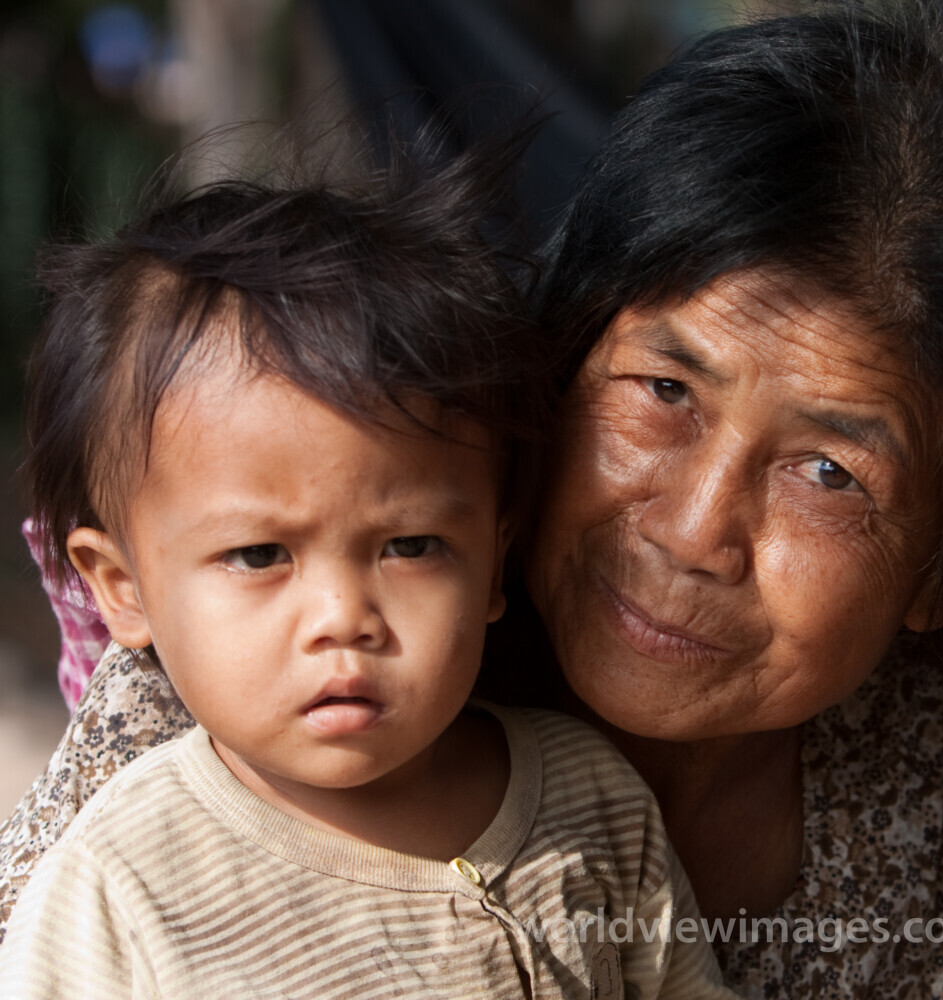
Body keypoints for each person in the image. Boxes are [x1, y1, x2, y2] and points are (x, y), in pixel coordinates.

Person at [2, 1, 943, 994]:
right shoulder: (272, 689)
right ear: (563, 354)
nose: (693, 528)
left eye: (830, 472)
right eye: (663, 389)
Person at [0, 149, 733, 998]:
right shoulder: (117, 891)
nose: (344, 617)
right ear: (121, 587)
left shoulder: (591, 798)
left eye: (411, 546)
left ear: (496, 557)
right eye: (259, 555)